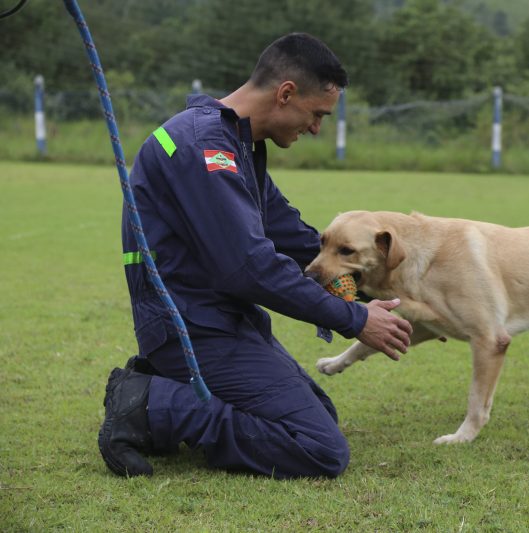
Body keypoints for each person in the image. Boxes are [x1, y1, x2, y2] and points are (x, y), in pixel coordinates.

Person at [98, 33, 413, 478]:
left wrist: (370, 295)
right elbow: (249, 268)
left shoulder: (235, 145)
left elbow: (298, 240)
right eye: (317, 114)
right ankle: (148, 404)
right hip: (191, 327)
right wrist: (357, 321)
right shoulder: (204, 148)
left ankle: (167, 388)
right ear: (286, 93)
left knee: (319, 411)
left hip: (221, 321)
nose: (317, 128)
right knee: (320, 448)